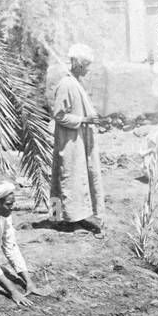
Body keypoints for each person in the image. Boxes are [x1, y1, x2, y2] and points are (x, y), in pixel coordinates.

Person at [50, 42, 104, 232]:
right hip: (69, 140)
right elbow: (59, 114)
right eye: (87, 65)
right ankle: (61, 219)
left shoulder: (75, 83)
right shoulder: (66, 84)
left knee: (76, 177)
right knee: (66, 177)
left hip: (78, 139)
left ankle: (73, 217)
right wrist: (83, 119)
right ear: (79, 64)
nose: (89, 69)